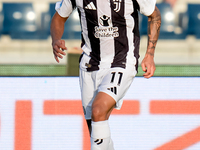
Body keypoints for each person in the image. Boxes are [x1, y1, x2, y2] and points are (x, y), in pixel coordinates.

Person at [50, 0, 161, 149]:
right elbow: (59, 17)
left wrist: (150, 54)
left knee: (98, 110)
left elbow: (154, 15)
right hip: (90, 64)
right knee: (96, 129)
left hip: (122, 61)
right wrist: (56, 39)